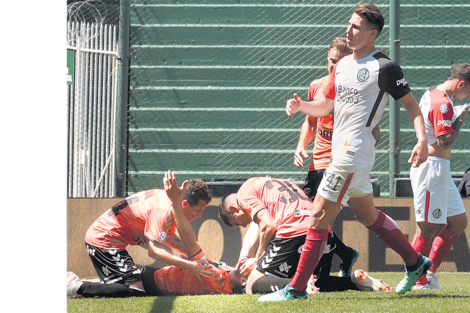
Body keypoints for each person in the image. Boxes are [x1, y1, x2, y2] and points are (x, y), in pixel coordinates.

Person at [260, 2, 431, 301]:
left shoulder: (384, 67)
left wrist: (422, 140)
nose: (348, 31)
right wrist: (302, 107)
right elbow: (325, 106)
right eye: (348, 24)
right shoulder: (342, 65)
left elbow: (411, 106)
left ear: (372, 34)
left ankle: (296, 289)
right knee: (368, 216)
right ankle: (415, 263)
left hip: (352, 155)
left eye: (355, 27)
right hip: (345, 153)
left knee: (317, 218)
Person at [294, 37, 381, 277]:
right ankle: (338, 259)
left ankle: (321, 271)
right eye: (331, 61)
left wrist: (371, 132)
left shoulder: (357, 90)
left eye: (338, 61)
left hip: (343, 161)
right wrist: (301, 146)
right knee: (315, 216)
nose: (334, 66)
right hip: (319, 161)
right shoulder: (317, 86)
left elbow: (375, 130)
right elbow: (311, 121)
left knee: (323, 217)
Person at [65, 178, 213, 299]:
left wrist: (200, 258)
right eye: (198, 210)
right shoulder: (161, 211)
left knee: (131, 283)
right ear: (185, 204)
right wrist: (190, 265)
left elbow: (170, 239)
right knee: (136, 291)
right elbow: (154, 252)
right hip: (104, 240)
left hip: (109, 240)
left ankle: (78, 287)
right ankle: (75, 287)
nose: (199, 215)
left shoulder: (169, 203)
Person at [410, 63, 470, 290]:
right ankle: (418, 279)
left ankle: (429, 271)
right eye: (469, 91)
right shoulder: (443, 103)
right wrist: (461, 117)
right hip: (431, 167)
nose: (467, 96)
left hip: (440, 168)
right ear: (461, 84)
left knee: (458, 222)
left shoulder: (433, 91)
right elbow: (445, 141)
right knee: (426, 227)